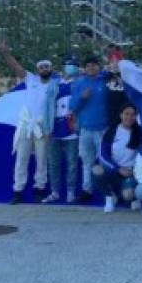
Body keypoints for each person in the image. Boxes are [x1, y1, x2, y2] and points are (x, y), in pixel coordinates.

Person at [0, 43, 58, 204]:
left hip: (43, 127)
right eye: (41, 67)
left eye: (47, 67)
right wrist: (6, 53)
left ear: (51, 69)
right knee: (21, 158)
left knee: (41, 159)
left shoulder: (56, 85)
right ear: (38, 70)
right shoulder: (31, 79)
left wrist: (50, 128)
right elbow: (16, 67)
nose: (44, 69)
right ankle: (18, 191)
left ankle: (39, 189)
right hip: (26, 125)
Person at [70, 54, 109, 203]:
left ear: (98, 66)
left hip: (103, 128)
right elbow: (72, 106)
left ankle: (108, 191)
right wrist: (81, 97)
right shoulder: (79, 84)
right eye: (88, 65)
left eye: (94, 64)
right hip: (85, 129)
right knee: (87, 162)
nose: (91, 67)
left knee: (105, 161)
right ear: (85, 69)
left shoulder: (106, 81)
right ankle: (87, 190)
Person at [93, 104, 142, 213]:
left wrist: (135, 170)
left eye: (133, 114)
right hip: (114, 169)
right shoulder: (111, 131)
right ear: (121, 115)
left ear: (136, 117)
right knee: (96, 170)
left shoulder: (140, 133)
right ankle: (109, 197)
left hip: (131, 172)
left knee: (128, 196)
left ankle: (134, 197)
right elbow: (103, 155)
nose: (129, 117)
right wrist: (118, 168)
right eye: (126, 114)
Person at [44, 55, 80, 204]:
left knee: (72, 163)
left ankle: (71, 192)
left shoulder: (80, 83)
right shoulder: (54, 84)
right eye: (69, 64)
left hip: (72, 128)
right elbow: (47, 107)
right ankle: (55, 192)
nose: (71, 67)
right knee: (53, 163)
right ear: (64, 67)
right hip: (55, 128)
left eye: (74, 65)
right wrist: (47, 128)